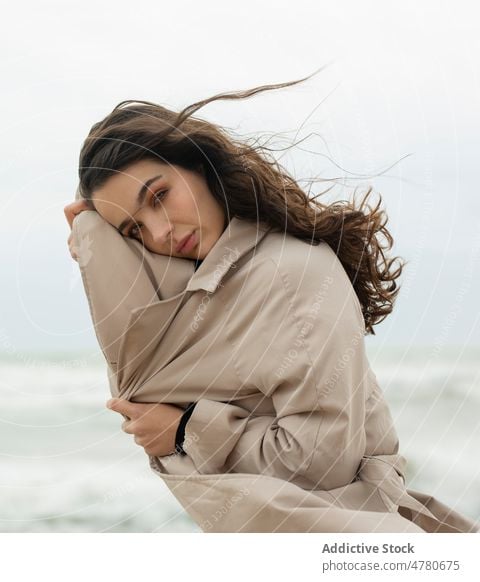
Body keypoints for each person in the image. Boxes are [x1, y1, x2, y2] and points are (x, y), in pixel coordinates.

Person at [63, 72, 479, 532]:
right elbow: (135, 353)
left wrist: (185, 431)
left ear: (200, 165)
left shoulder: (291, 272)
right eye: (133, 230)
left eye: (159, 196)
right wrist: (92, 233)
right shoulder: (210, 287)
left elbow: (323, 462)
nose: (158, 232)